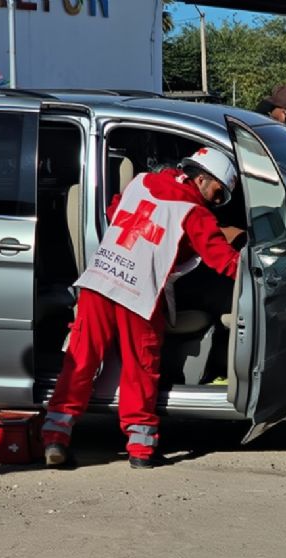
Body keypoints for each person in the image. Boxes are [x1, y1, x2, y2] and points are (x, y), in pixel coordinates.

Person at [42, 147, 243, 469]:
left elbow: (116, 211)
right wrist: (260, 271)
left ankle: (55, 434)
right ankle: (141, 447)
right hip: (140, 293)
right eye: (219, 193)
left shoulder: (140, 182)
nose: (217, 202)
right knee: (141, 365)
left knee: (81, 360)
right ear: (202, 179)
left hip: (99, 280)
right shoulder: (194, 212)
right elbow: (223, 260)